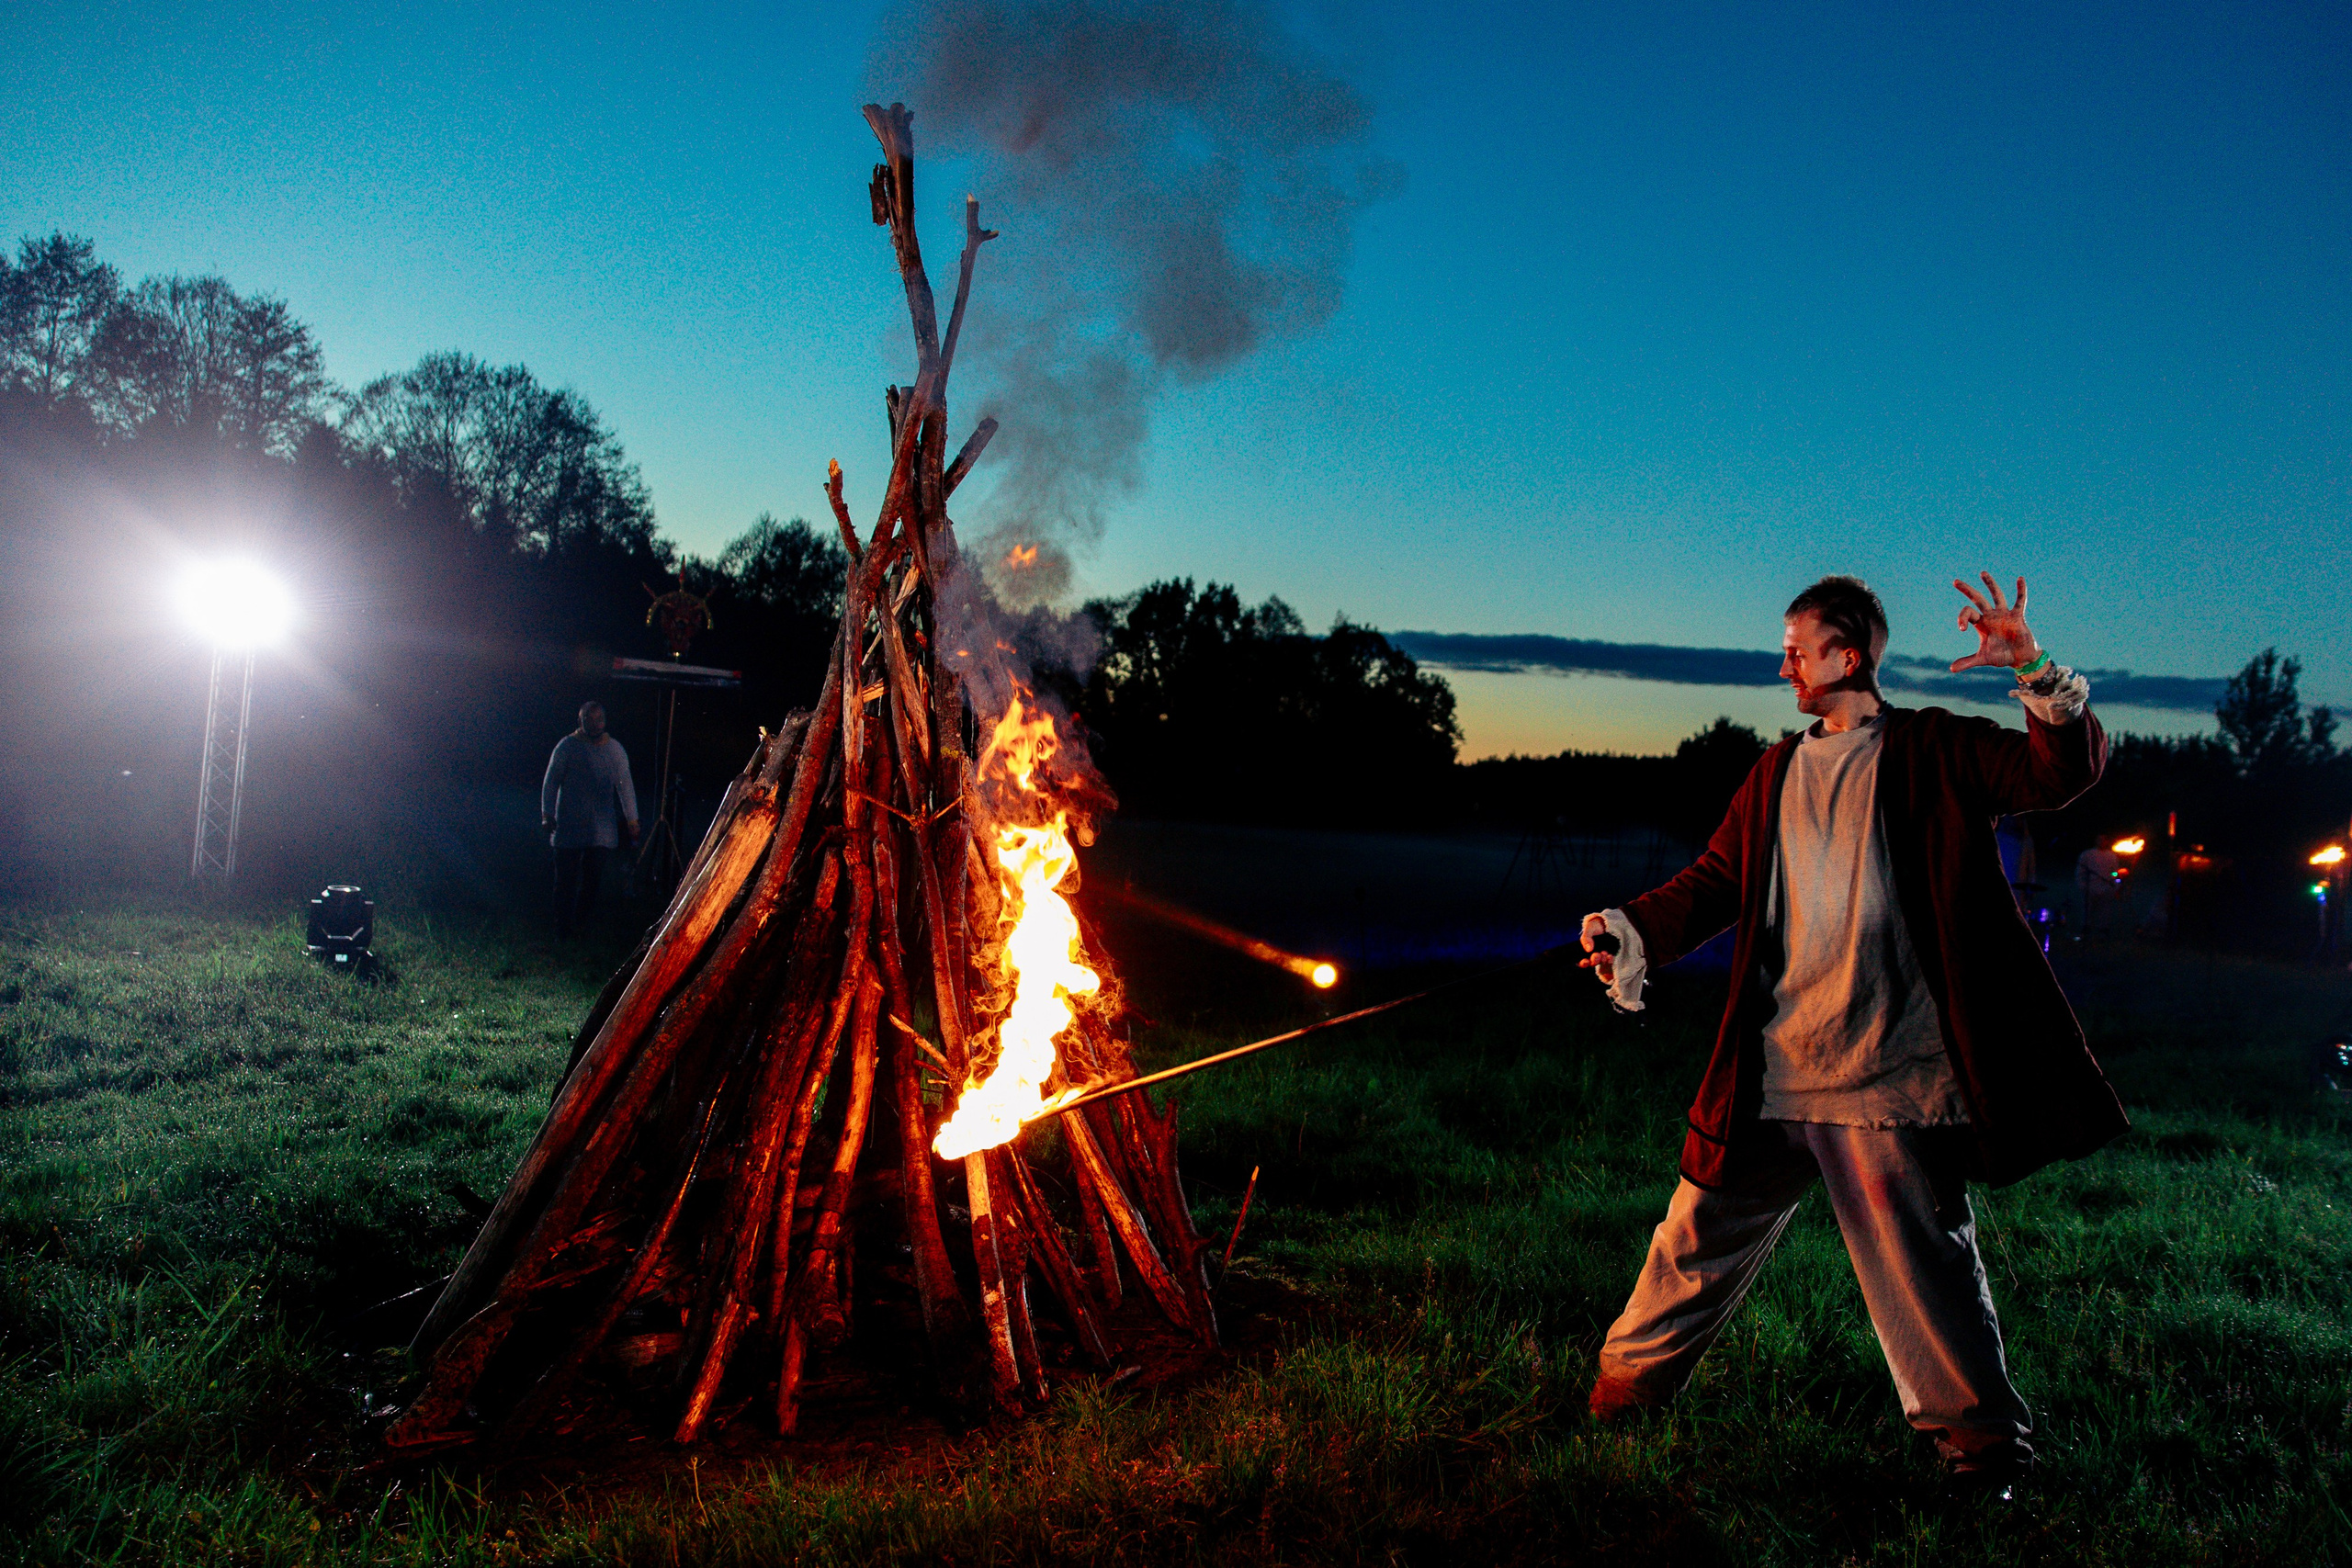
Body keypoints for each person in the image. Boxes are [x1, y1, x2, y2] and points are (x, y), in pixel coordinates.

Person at [1577, 572, 2124, 1496]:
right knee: (1697, 1227)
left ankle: (1983, 1447)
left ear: (1848, 655)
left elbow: (2057, 773)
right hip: (1777, 1061)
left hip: (1888, 1067)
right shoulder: (1774, 770)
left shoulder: (1934, 749)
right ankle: (1624, 1388)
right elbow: (1714, 881)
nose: (1784, 663)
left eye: (1798, 648)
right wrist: (1630, 928)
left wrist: (2030, 664)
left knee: (1918, 1258)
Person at [541, 701, 639, 939]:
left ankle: (581, 921)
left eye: (599, 719)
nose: (595, 724)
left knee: (592, 879)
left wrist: (632, 820)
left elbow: (625, 786)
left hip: (601, 829)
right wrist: (547, 813)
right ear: (580, 721)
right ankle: (562, 926)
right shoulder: (567, 747)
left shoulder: (614, 750)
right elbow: (551, 780)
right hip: (569, 825)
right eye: (589, 719)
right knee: (565, 879)